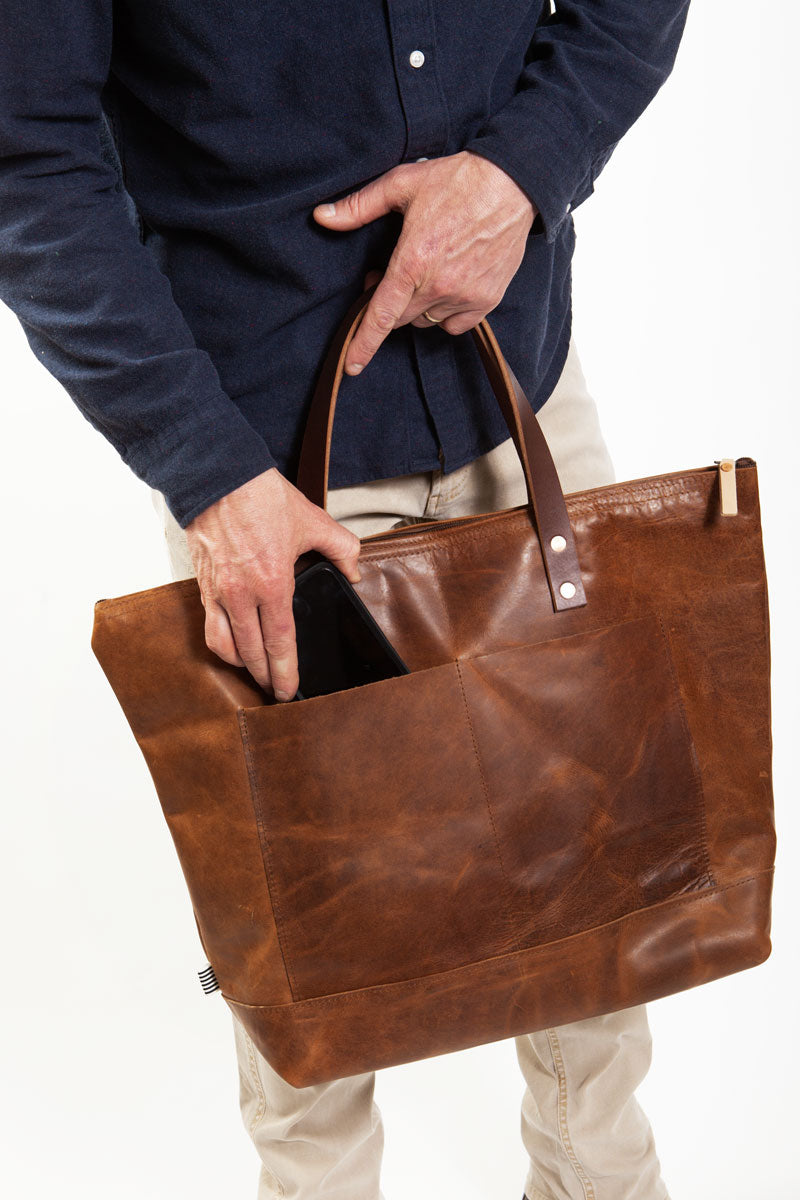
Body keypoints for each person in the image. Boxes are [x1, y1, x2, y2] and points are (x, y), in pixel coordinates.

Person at [0, 2, 692, 1197]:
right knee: (307, 957)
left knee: (598, 891)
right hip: (262, 469)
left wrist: (523, 169)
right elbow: (25, 153)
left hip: (513, 374)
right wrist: (208, 476)